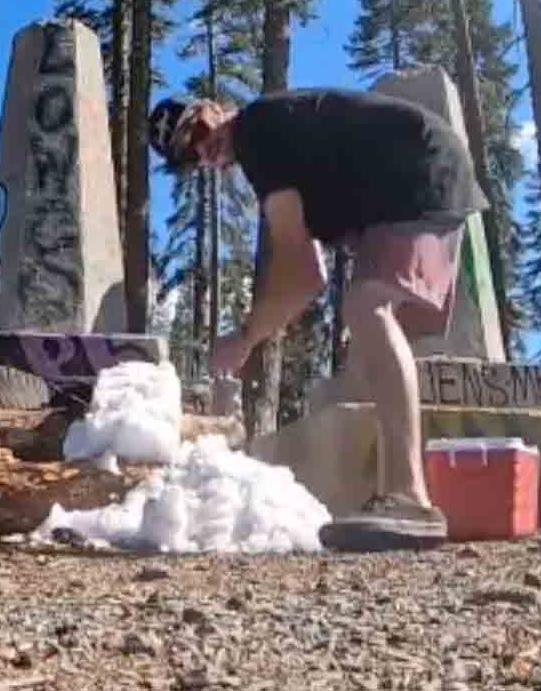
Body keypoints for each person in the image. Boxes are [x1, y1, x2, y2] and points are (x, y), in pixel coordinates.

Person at [147, 87, 490, 552]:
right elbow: (306, 273)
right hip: (414, 178)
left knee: (367, 304)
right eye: (190, 156)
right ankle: (401, 498)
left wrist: (245, 338)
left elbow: (301, 272)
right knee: (377, 338)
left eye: (200, 131)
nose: (204, 149)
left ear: (213, 108)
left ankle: (409, 498)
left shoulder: (257, 131)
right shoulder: (270, 139)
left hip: (421, 173)